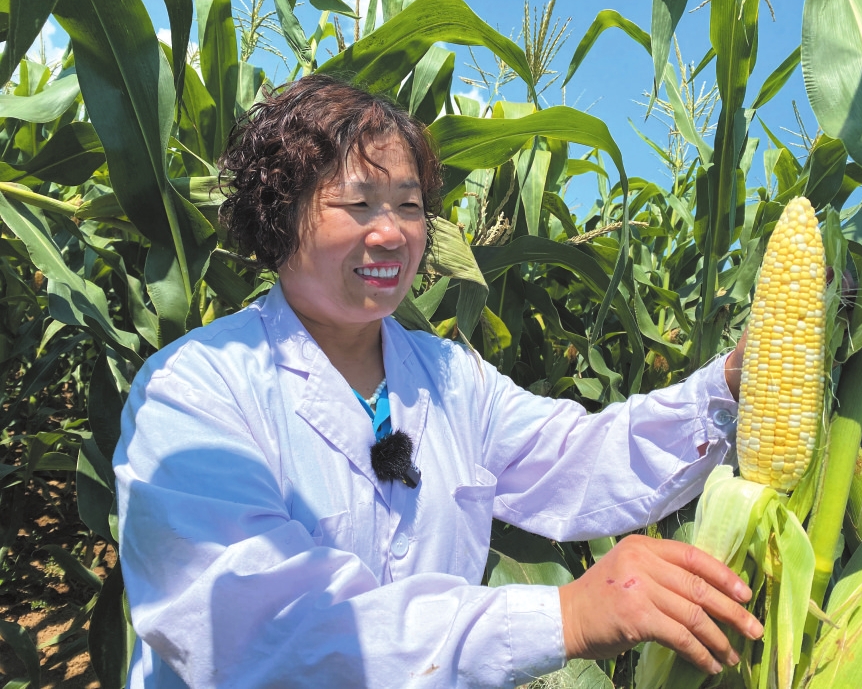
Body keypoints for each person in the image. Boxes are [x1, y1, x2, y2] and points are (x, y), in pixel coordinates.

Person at [113, 74, 760, 688]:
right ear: (280, 214)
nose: (392, 233)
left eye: (409, 206)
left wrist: (731, 384)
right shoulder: (194, 391)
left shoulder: (452, 377)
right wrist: (561, 617)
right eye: (358, 204)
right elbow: (260, 630)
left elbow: (580, 458)